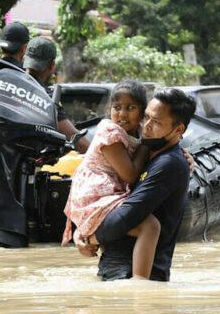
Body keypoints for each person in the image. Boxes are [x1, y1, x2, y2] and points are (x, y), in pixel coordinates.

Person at [77, 88, 195, 282]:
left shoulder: (169, 163)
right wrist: (81, 231)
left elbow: (128, 215)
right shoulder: (143, 155)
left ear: (178, 130)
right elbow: (109, 204)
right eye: (146, 117)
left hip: (134, 274)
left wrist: (89, 237)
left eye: (156, 122)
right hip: (118, 269)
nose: (146, 126)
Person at [61, 80, 160, 279]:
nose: (122, 114)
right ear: (110, 109)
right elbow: (131, 175)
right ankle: (140, 285)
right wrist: (147, 144)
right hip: (94, 194)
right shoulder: (109, 133)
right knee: (149, 226)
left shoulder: (137, 132)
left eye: (130, 108)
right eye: (117, 107)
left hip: (109, 191)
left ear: (142, 113)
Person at [24, 36, 90, 153]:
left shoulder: (6, 82)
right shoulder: (46, 98)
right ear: (51, 64)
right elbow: (74, 138)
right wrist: (100, 155)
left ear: (25, 58)